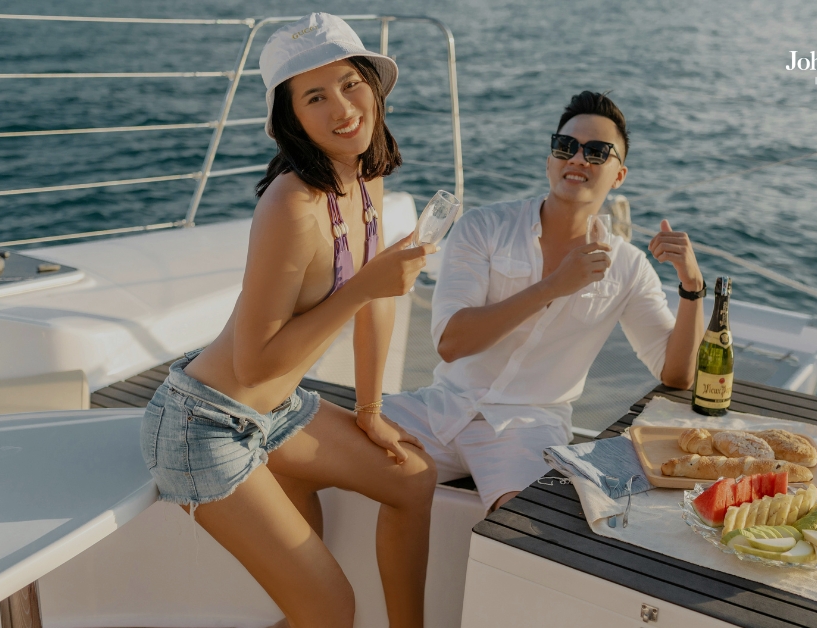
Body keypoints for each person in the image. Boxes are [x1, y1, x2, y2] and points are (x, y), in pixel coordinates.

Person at [140, 14, 437, 628]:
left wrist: (372, 412)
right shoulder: (290, 205)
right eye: (315, 97)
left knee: (412, 478)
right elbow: (256, 363)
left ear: (373, 88)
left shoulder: (366, 176)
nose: (343, 108)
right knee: (330, 609)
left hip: (274, 414)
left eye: (350, 83)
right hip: (204, 426)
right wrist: (362, 289)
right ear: (290, 118)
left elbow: (377, 305)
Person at [382, 91, 706, 513]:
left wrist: (692, 286)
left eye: (597, 151)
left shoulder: (628, 267)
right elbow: (451, 342)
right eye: (566, 146)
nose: (578, 159)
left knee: (528, 532)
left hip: (526, 429)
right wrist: (554, 285)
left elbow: (677, 373)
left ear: (619, 175)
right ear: (550, 159)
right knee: (302, 441)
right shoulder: (484, 227)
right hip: (440, 408)